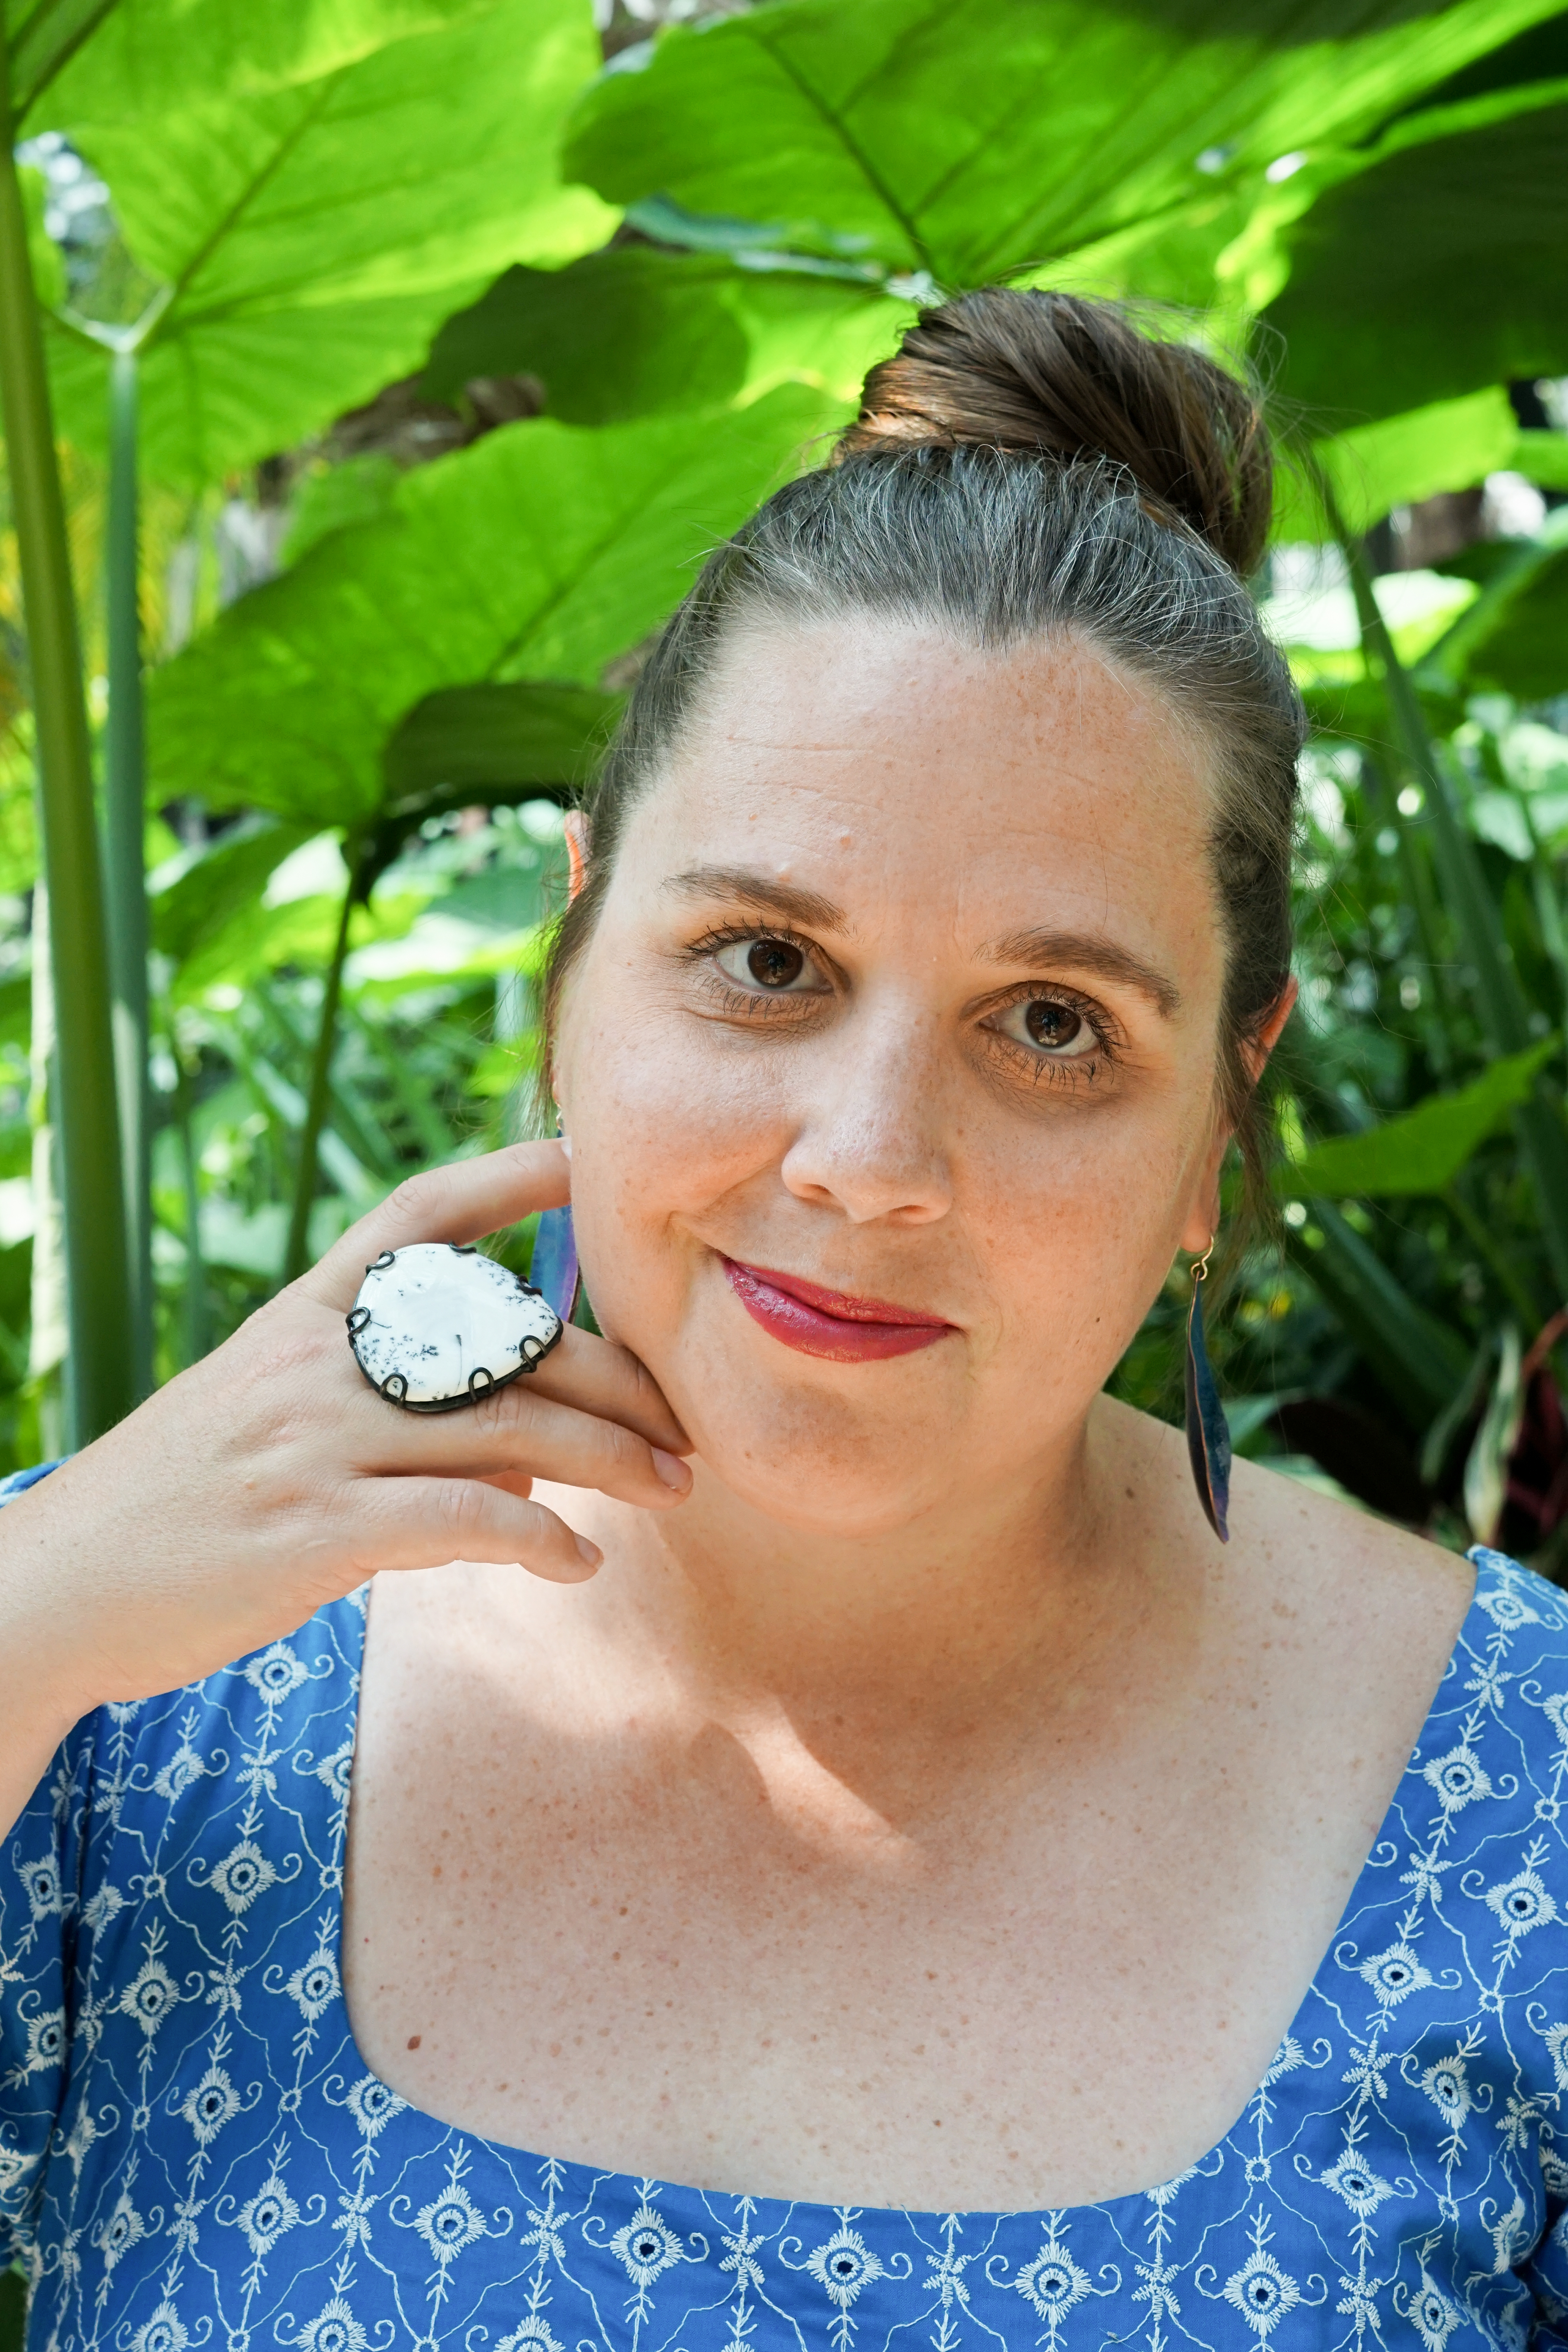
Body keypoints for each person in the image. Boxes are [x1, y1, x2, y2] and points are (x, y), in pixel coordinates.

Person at [0, 289, 1561, 2352]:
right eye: (764, 959)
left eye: (1053, 1023)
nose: (870, 1154)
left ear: (1221, 1113)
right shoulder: (134, 1674)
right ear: (571, 956)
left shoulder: (1527, 1805)